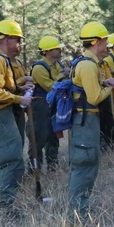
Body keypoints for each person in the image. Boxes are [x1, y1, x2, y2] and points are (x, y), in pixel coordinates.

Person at [0, 19, 33, 217]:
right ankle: (5, 208)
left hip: (2, 114)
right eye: (17, 40)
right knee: (12, 161)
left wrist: (18, 87)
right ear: (6, 39)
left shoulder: (2, 60)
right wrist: (19, 98)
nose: (19, 44)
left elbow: (0, 86)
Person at [68, 22, 114, 219]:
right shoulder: (88, 65)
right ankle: (78, 213)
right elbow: (94, 97)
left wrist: (104, 83)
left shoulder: (87, 63)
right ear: (96, 42)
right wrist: (111, 86)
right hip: (85, 121)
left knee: (85, 165)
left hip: (86, 120)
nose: (107, 45)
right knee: (85, 165)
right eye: (105, 41)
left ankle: (79, 208)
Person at [31, 36, 68, 171]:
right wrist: (62, 76)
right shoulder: (39, 68)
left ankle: (53, 165)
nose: (60, 50)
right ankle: (35, 168)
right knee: (39, 137)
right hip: (40, 105)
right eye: (56, 48)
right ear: (47, 51)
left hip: (54, 104)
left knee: (53, 134)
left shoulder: (59, 65)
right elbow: (50, 87)